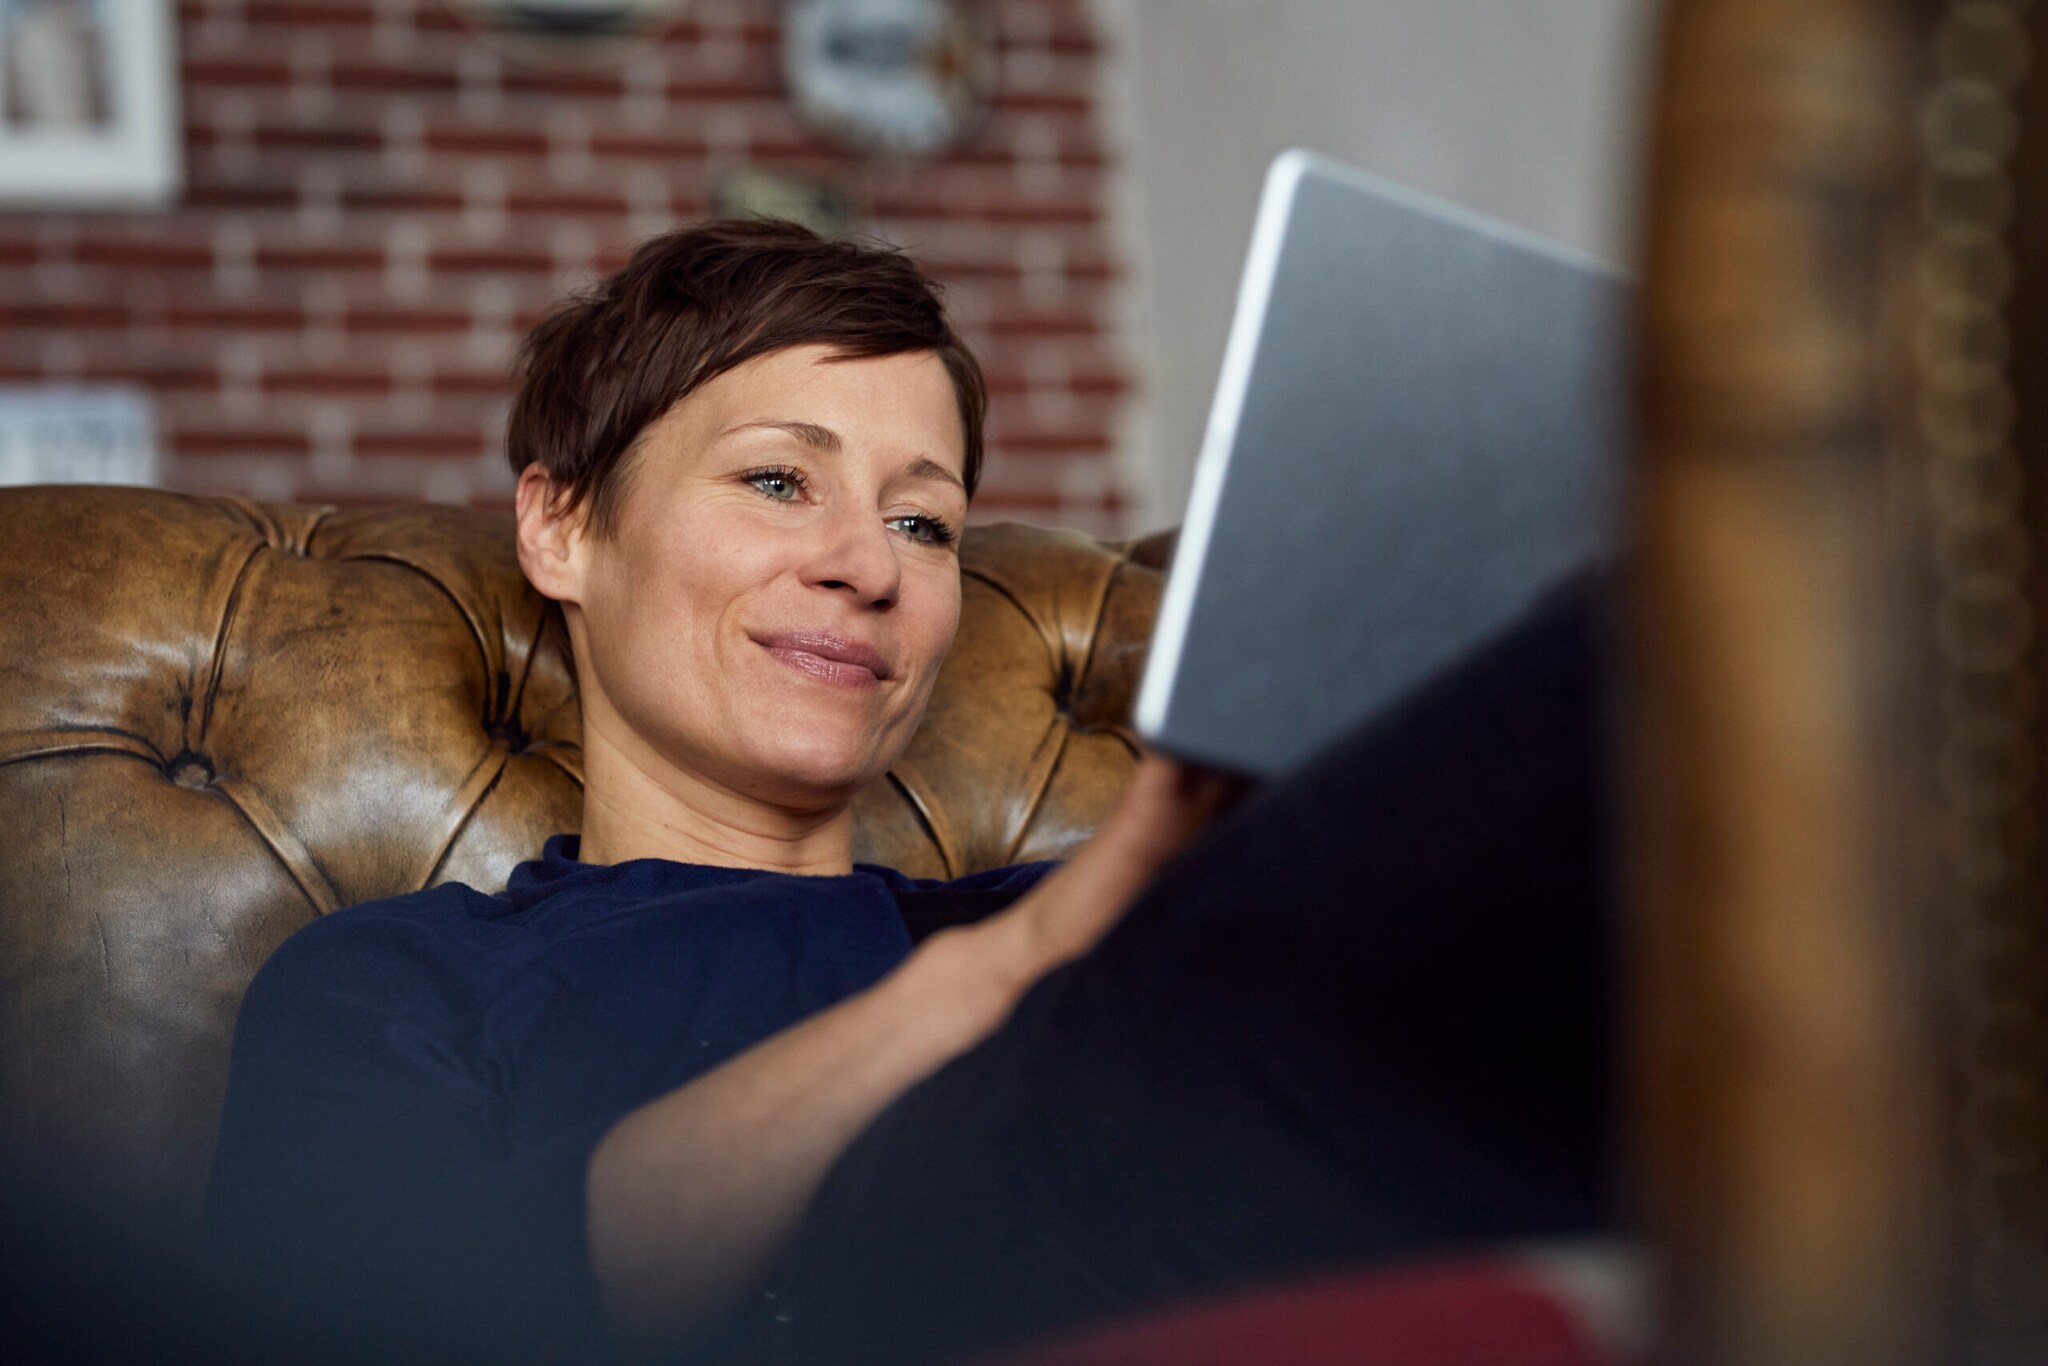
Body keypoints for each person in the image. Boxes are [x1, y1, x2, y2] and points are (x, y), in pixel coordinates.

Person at [207, 219, 1613, 1366]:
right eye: (777, 480)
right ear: (563, 527)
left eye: (922, 520)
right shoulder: (403, 979)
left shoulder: (1064, 914)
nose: (866, 567)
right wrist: (1008, 980)